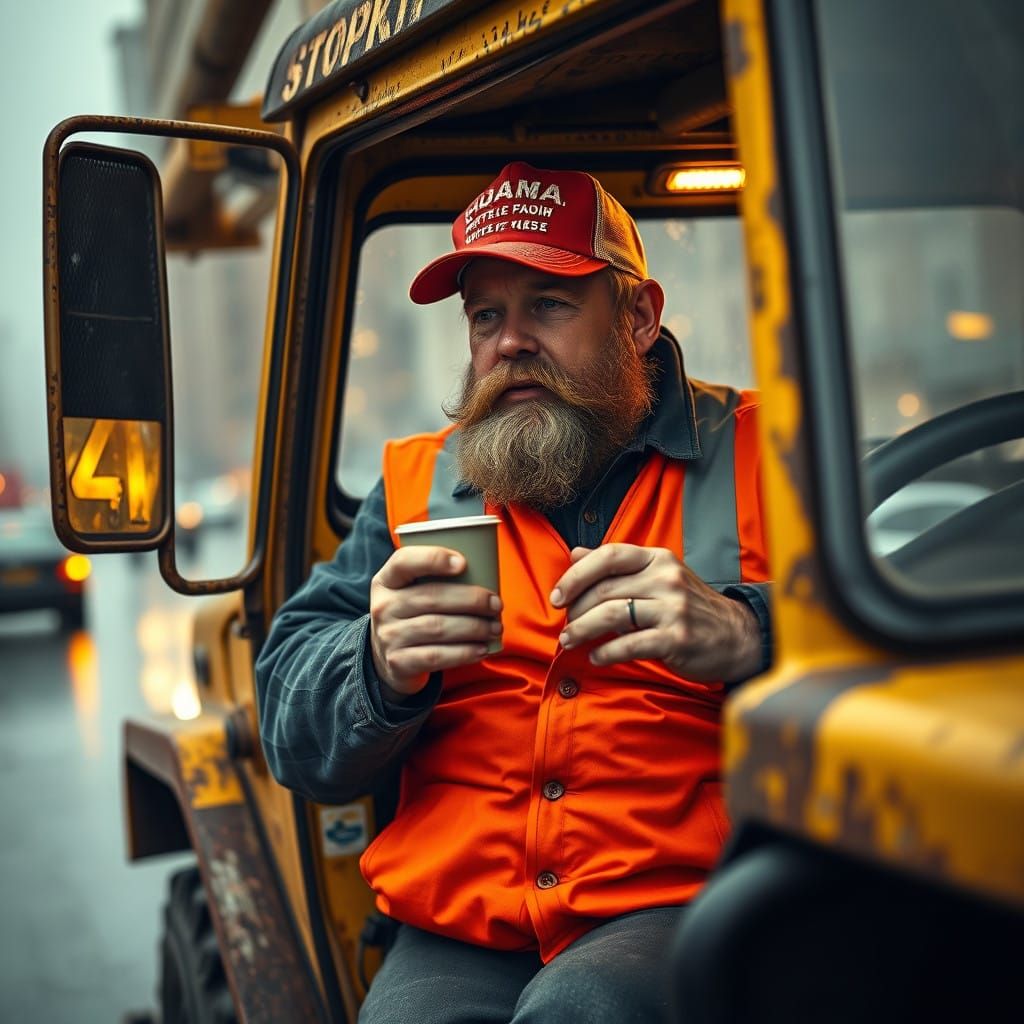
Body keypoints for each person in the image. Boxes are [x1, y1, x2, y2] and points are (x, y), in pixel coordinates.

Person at [255, 161, 771, 1023]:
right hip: (460, 927)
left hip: (683, 901)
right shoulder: (416, 483)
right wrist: (376, 663)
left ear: (639, 316)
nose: (511, 341)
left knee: (587, 1007)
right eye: (487, 314)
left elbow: (912, 635)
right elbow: (291, 727)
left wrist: (751, 631)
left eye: (551, 303)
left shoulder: (772, 454)